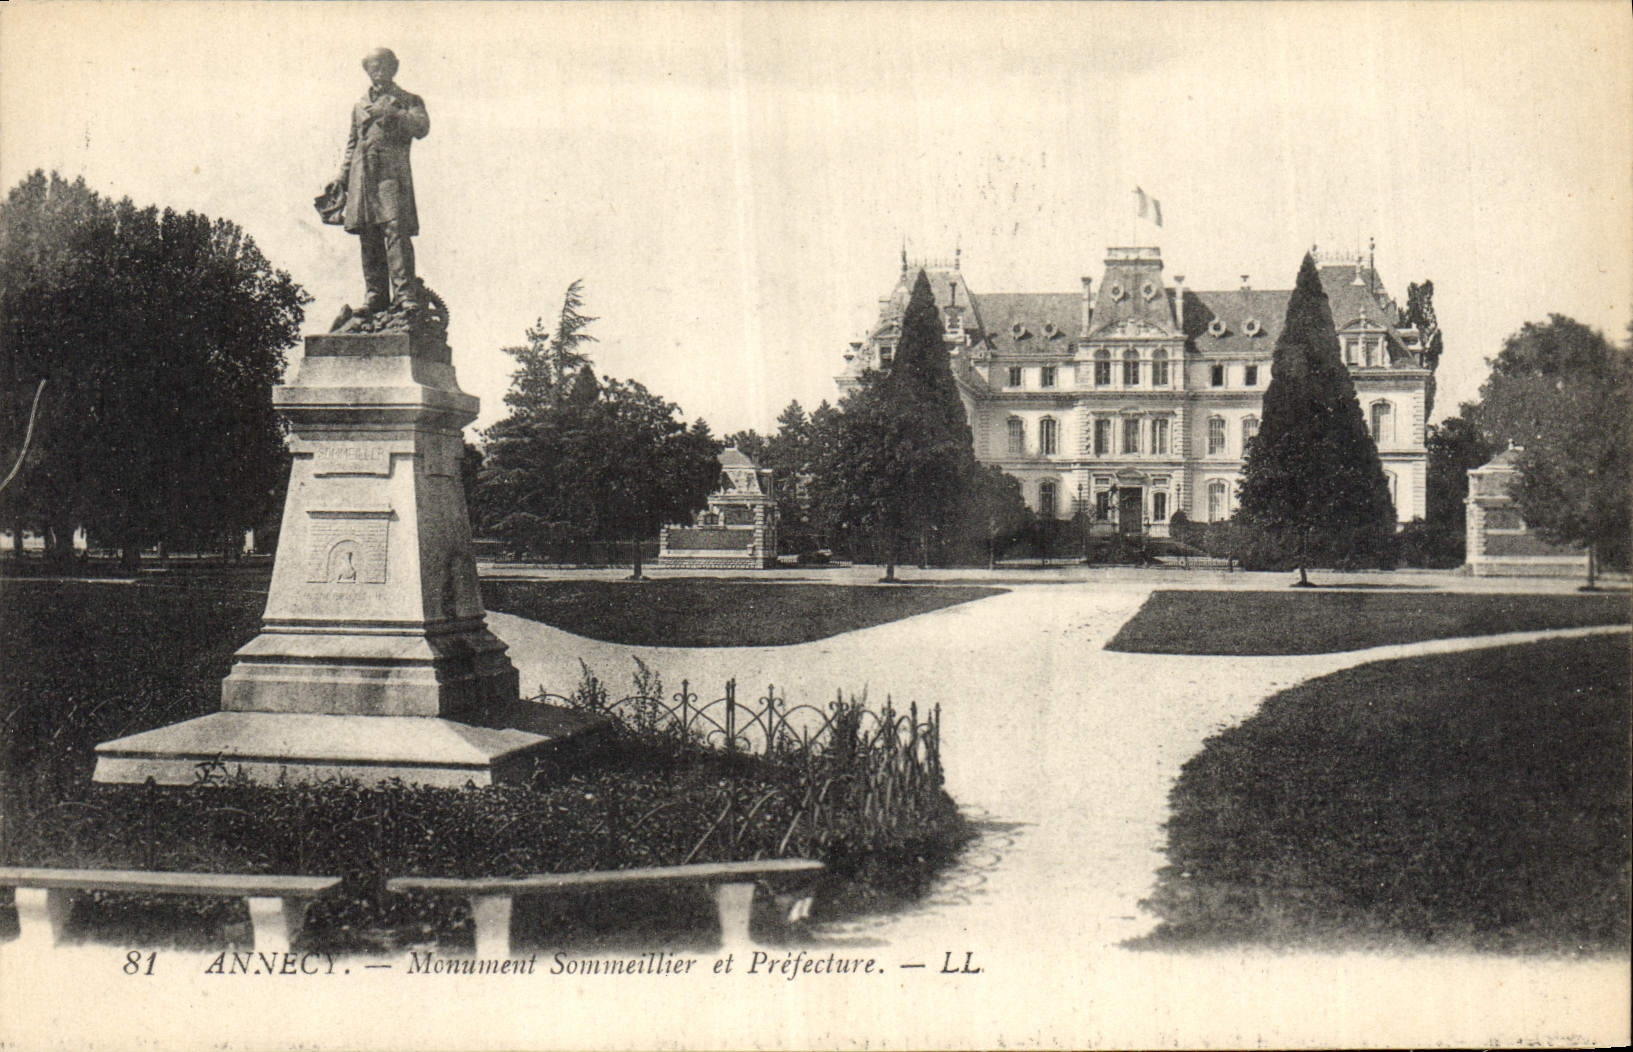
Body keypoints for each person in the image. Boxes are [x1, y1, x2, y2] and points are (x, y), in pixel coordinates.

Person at [327, 48, 429, 313]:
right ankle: (376, 296)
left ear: (394, 68)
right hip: (363, 177)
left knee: (395, 229)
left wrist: (393, 113)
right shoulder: (359, 105)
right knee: (368, 234)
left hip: (391, 175)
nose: (378, 72)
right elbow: (352, 144)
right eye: (373, 67)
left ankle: (405, 295)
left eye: (383, 66)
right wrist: (341, 176)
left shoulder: (408, 99)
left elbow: (421, 128)